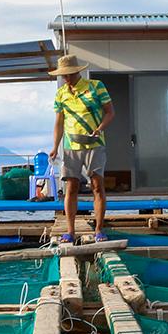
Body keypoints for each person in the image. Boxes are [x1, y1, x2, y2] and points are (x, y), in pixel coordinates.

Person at [48, 54, 115, 243]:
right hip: (71, 145)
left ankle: (99, 230)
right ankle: (70, 231)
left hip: (95, 143)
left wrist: (100, 128)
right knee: (71, 187)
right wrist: (55, 146)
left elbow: (110, 112)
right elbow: (59, 122)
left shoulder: (96, 86)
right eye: (63, 75)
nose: (66, 78)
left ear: (77, 71)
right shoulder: (61, 93)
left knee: (96, 185)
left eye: (69, 74)